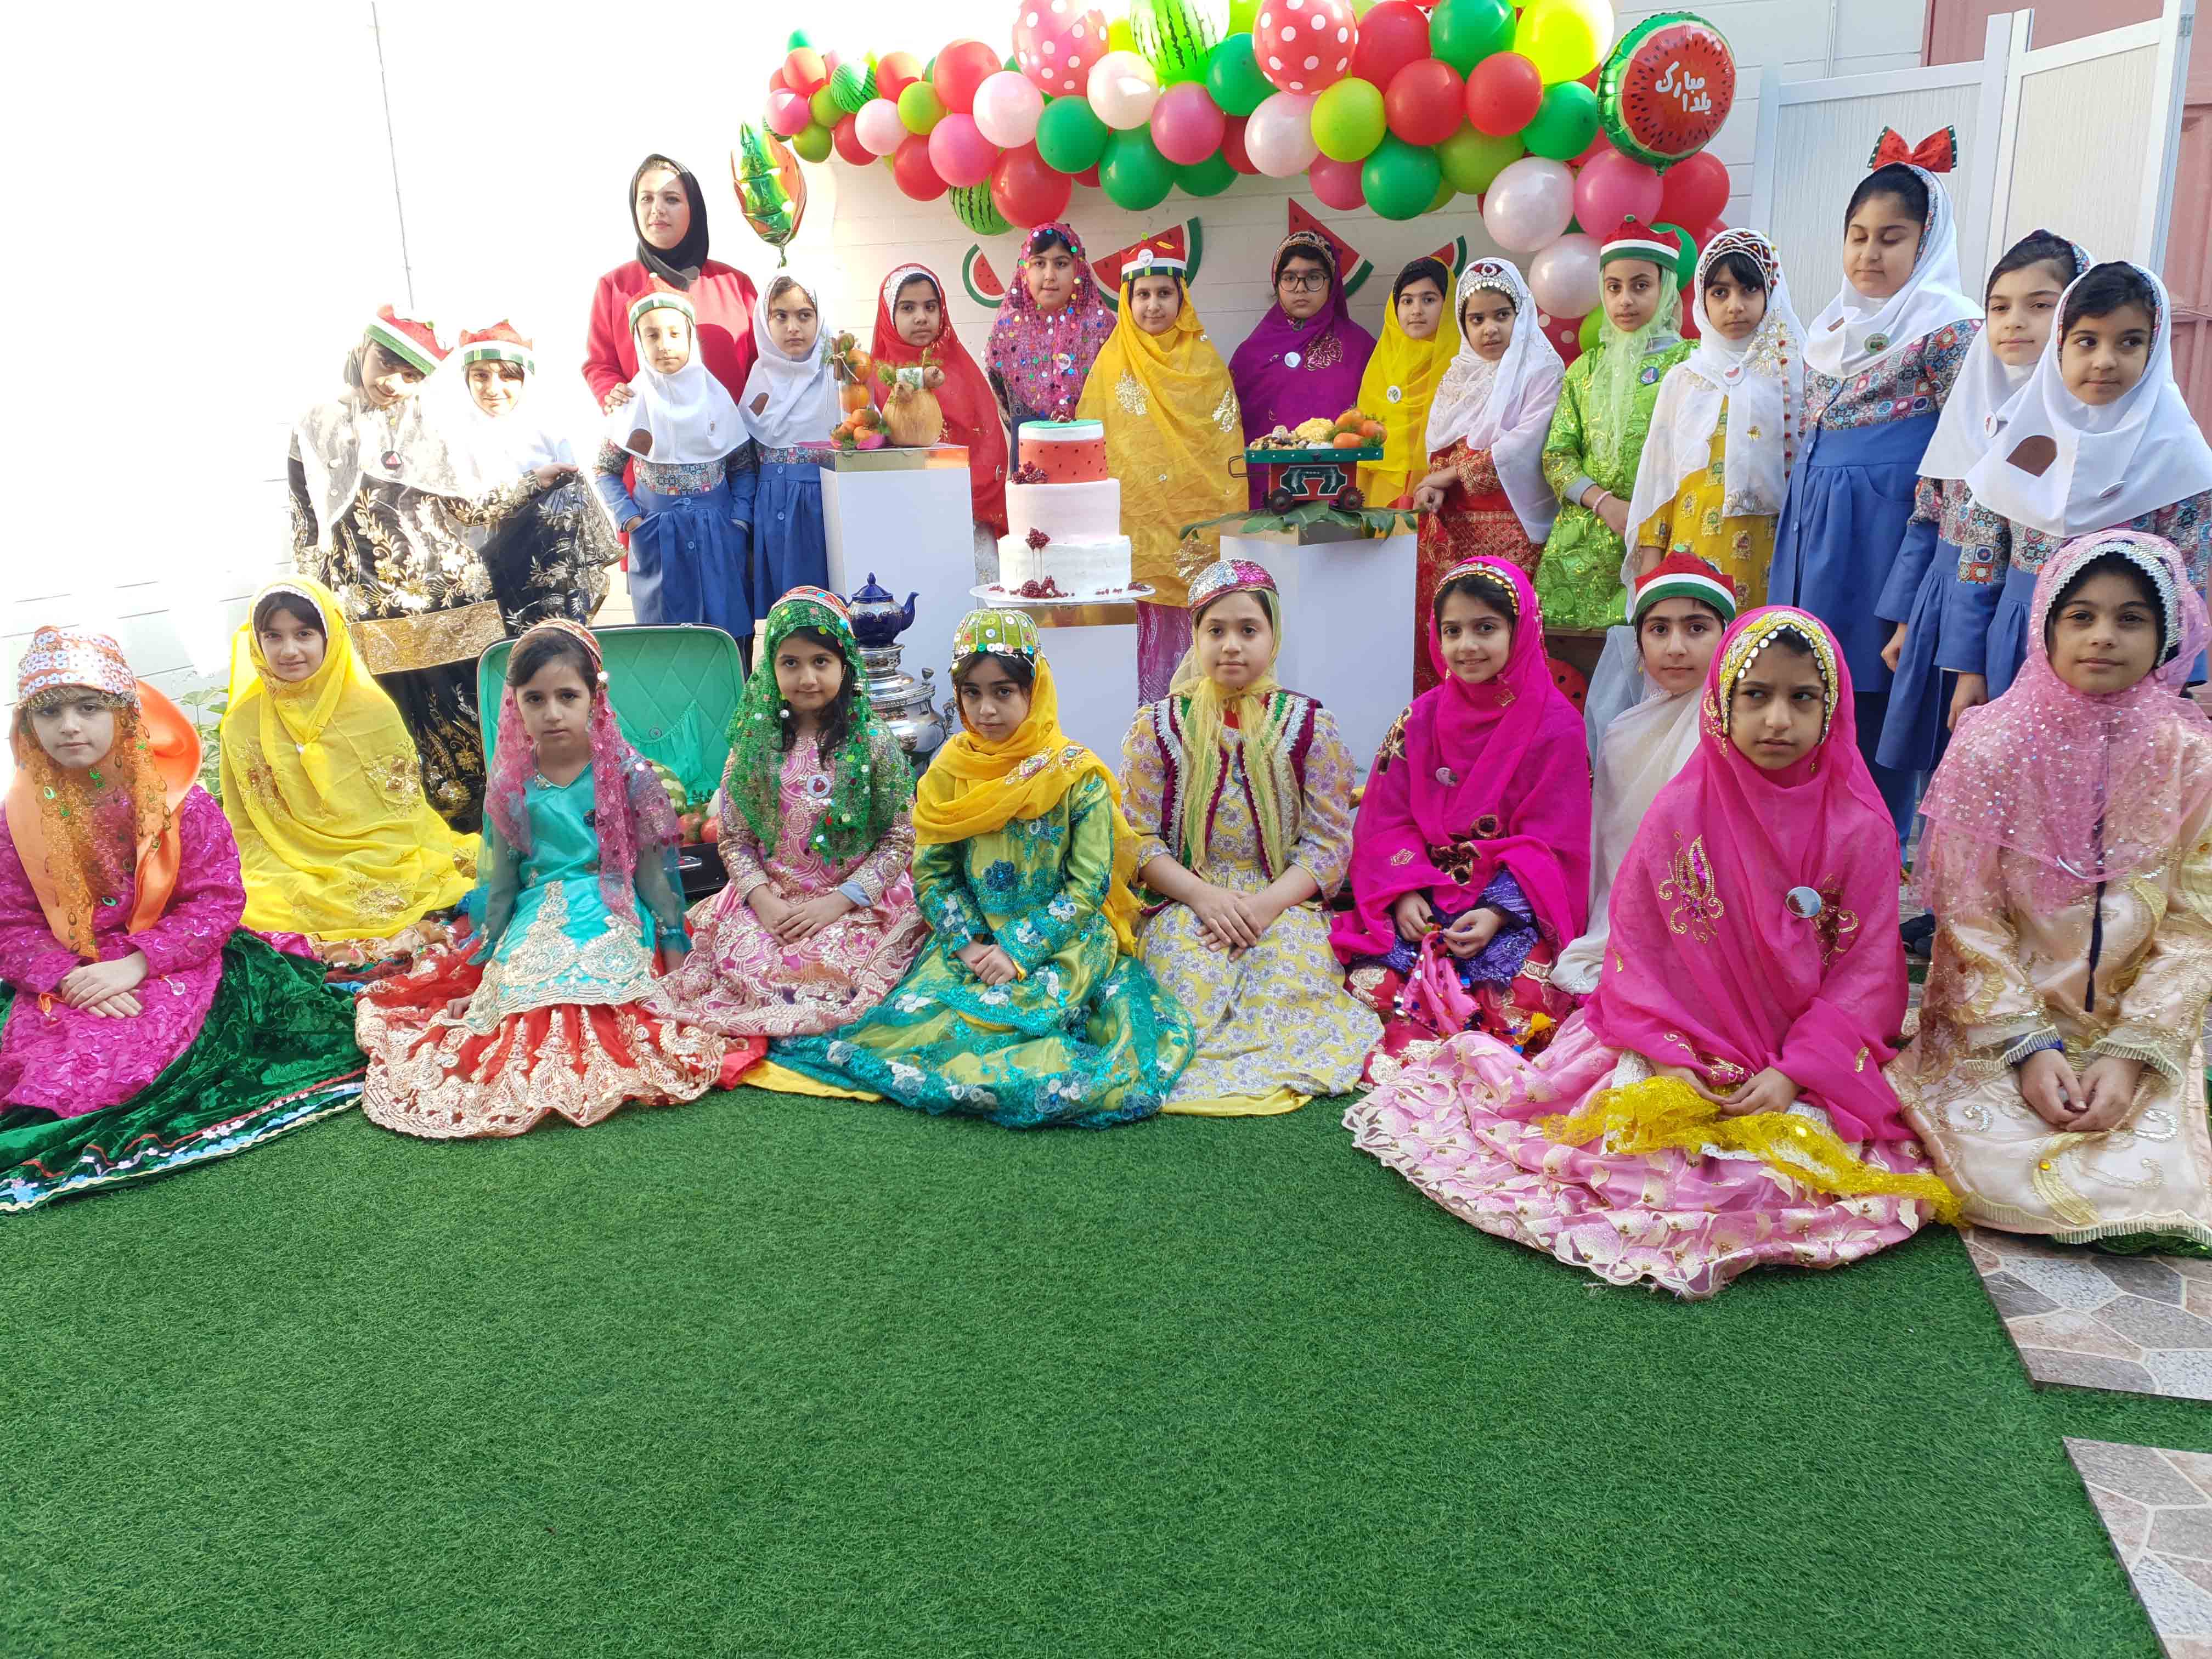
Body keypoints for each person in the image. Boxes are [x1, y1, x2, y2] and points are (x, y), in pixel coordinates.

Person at [1344, 607, 1957, 1299]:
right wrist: (1667, 1054)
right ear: (1723, 703)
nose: (1777, 720)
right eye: (1756, 695)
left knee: (1775, 1178)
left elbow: (1865, 975)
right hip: (1674, 1036)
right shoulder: (1682, 810)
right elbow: (1637, 949)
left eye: (1803, 698)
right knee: (1639, 1152)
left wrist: (1794, 1074)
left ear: (1834, 708)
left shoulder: (1859, 827)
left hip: (1800, 1053)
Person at [1892, 532, 2212, 1253]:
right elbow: (1969, 918)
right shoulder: (1994, 744)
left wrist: (2131, 1053)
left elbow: (2198, 923)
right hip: (2001, 1021)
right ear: (2046, 627)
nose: (2104, 637)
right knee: (1997, 1161)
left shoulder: (2191, 757)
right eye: (2082, 616)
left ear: (2166, 636)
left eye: (2131, 618)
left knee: (2144, 1173)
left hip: (2133, 1023)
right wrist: (2027, 1047)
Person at [768, 609, 1194, 1128]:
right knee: (926, 1024)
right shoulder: (950, 770)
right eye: (972, 693)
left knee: (1034, 1025)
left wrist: (1017, 951)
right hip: (970, 936)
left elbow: (1088, 886)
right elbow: (933, 873)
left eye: (1003, 692)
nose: (986, 709)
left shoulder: (1076, 776)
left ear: (1035, 689)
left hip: (1062, 940)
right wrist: (968, 944)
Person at [0, 629, 364, 1212]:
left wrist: (134, 965)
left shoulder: (178, 801)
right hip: (70, 968)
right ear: (28, 725)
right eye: (50, 711)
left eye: (89, 707)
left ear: (125, 714)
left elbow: (216, 901)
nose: (69, 726)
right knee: (45, 1053)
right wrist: (66, 976)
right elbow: (11, 922)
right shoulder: (18, 816)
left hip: (169, 957)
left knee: (127, 1048)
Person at [356, 621, 749, 1138]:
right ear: (515, 705)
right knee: (520, 1001)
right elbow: (503, 889)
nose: (553, 713)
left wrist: (678, 968)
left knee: (602, 996)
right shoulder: (511, 783)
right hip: (535, 912)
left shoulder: (629, 775)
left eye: (567, 696)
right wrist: (483, 977)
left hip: (611, 905)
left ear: (595, 698)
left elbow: (656, 880)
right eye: (535, 699)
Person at [290, 306, 579, 832]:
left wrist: (533, 483)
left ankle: (501, 831)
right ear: (362, 350)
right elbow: (306, 519)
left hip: (451, 598)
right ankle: (412, 834)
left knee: (478, 718)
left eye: (411, 375)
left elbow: (470, 508)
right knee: (387, 724)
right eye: (386, 364)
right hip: (368, 604)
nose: (394, 383)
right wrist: (309, 595)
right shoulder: (316, 424)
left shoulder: (433, 426)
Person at [1769, 154, 1980, 843]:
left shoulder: (1952, 331)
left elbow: (1962, 472)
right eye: (1857, 236)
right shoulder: (1830, 331)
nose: (1869, 254)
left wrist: (1917, 600)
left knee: (1874, 703)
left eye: (1892, 238)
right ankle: (1804, 852)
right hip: (1812, 541)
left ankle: (1873, 858)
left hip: (1884, 548)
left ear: (1928, 243)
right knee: (1805, 687)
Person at [1119, 561, 1377, 1115]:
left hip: (1281, 899)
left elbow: (1328, 844)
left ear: (1274, 636)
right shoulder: (1158, 726)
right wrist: (1202, 896)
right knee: (1185, 985)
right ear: (1195, 637)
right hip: (1188, 898)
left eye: (1249, 630)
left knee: (1285, 981)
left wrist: (1264, 907)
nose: (1232, 645)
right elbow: (1136, 838)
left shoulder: (1310, 725)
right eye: (1216, 630)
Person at [1333, 557, 1590, 1070]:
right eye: (1453, 631)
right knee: (1370, 991)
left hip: (1507, 904)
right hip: (1421, 891)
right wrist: (1403, 893)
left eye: (1485, 628)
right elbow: (1384, 818)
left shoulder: (1557, 726)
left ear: (1521, 631)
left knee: (1521, 1006)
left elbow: (1555, 842)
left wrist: (1496, 913)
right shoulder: (1420, 717)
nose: (1467, 646)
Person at [650, 588, 928, 1042]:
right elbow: (735, 840)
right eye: (791, 663)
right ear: (771, 668)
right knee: (752, 967)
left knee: (834, 968)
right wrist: (765, 903)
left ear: (845, 665)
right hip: (774, 899)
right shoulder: (754, 748)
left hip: (855, 902)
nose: (807, 678)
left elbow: (900, 839)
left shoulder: (875, 743)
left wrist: (838, 902)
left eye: (821, 661)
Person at [1875, 232, 2090, 774]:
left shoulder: (2085, 420)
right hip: (1946, 607)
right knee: (1946, 762)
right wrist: (1905, 620)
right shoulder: (1971, 404)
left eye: (2039, 306)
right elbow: (1927, 517)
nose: (2014, 322)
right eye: (1999, 307)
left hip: (2034, 625)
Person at [1966, 261, 2212, 683]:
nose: (2105, 361)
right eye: (2087, 341)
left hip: (2126, 663)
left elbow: (2187, 587)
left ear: (2155, 350)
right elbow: (1981, 565)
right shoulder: (2021, 442)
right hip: (2014, 648)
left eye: (2130, 342)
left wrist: (2176, 683)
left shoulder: (2180, 460)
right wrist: (1967, 669)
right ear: (2060, 346)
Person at [220, 579, 478, 969]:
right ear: (257, 643)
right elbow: (245, 819)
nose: (289, 651)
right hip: (285, 856)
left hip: (380, 847)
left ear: (331, 636)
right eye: (273, 636)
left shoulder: (370, 708)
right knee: (267, 899)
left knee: (387, 886)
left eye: (304, 634)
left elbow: (401, 809)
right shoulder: (243, 720)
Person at [1552, 555, 1737, 996]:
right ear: (1638, 644)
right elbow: (1611, 852)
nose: (1676, 647)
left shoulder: (1738, 733)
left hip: (1720, 920)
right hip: (1630, 913)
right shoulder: (1622, 734)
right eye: (1659, 630)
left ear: (1727, 636)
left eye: (1696, 628)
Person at [1074, 248, 1244, 701]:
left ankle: (1194, 714)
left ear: (1182, 299)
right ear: (1127, 301)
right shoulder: (1110, 364)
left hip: (1194, 520)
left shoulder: (1206, 364)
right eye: (1143, 294)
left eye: (1164, 293)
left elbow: (1223, 447)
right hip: (1134, 521)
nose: (1153, 305)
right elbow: (1091, 449)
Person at [1625, 228, 1804, 610]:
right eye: (1720, 293)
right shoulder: (1685, 379)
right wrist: (1651, 570)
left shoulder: (1793, 376)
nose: (1734, 306)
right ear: (1703, 300)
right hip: (1692, 548)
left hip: (1772, 553)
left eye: (1749, 290)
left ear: (1770, 294)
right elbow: (1660, 477)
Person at [1409, 259, 1564, 693]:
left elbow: (1526, 443)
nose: (1489, 330)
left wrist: (1453, 474)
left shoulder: (1541, 369)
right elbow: (1441, 443)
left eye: (1502, 315)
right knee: (1453, 634)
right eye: (1476, 319)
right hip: (1453, 531)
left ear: (1522, 314)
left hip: (1513, 528)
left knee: (1503, 630)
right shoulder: (1458, 374)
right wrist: (1435, 485)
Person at [1537, 218, 1695, 634]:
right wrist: (1605, 504)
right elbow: (1557, 456)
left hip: (1668, 538)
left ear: (1666, 289)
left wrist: (1649, 518)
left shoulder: (1692, 364)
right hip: (1584, 544)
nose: (1625, 300)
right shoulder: (1584, 370)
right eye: (1614, 287)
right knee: (1571, 657)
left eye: (1641, 286)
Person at [592, 289, 755, 643]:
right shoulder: (631, 402)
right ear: (639, 342)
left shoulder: (717, 398)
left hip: (718, 535)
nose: (664, 345)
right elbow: (605, 469)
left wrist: (739, 521)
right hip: (658, 537)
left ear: (691, 337)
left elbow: (743, 467)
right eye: (652, 335)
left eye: (674, 333)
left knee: (724, 635)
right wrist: (631, 520)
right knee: (666, 638)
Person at [449, 320, 617, 630]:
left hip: (546, 568)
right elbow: (460, 507)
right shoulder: (453, 437)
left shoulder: (550, 431)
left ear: (525, 379)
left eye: (507, 376)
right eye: (481, 376)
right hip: (481, 568)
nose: (493, 388)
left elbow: (571, 501)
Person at [583, 154, 760, 413]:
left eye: (672, 199)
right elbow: (601, 365)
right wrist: (612, 392)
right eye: (646, 198)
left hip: (732, 435)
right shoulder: (614, 287)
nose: (657, 209)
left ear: (693, 209)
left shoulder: (736, 286)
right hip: (650, 434)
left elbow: (765, 365)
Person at [870, 263, 1010, 585]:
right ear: (889, 315)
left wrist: (963, 491)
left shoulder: (962, 372)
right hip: (905, 516)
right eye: (908, 308)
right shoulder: (876, 379)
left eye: (930, 307)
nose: (921, 317)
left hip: (969, 512)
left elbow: (988, 441)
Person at [1229, 229, 1378, 505]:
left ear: (1332, 284)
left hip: (1344, 498)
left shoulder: (1361, 349)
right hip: (1268, 500)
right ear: (1277, 283)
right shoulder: (1250, 356)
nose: (1300, 288)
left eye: (1313, 277)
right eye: (1289, 278)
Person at [740, 273, 838, 612]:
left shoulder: (839, 376)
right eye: (780, 316)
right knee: (784, 609)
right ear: (765, 322)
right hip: (772, 510)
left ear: (819, 319)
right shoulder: (759, 379)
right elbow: (745, 457)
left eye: (804, 315)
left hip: (822, 509)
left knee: (824, 604)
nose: (793, 328)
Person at [986, 223, 1115, 432]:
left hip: (1093, 444)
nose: (1049, 275)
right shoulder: (1007, 330)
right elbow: (1001, 395)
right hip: (1027, 444)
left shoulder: (1102, 327)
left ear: (1078, 268)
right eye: (1039, 263)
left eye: (1061, 264)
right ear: (1024, 270)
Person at [1357, 256, 1459, 509]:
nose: (1416, 310)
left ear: (1449, 305)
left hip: (1445, 493)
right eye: (1407, 301)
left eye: (1429, 300)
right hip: (1383, 492)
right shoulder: (1380, 365)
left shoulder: (1462, 367)